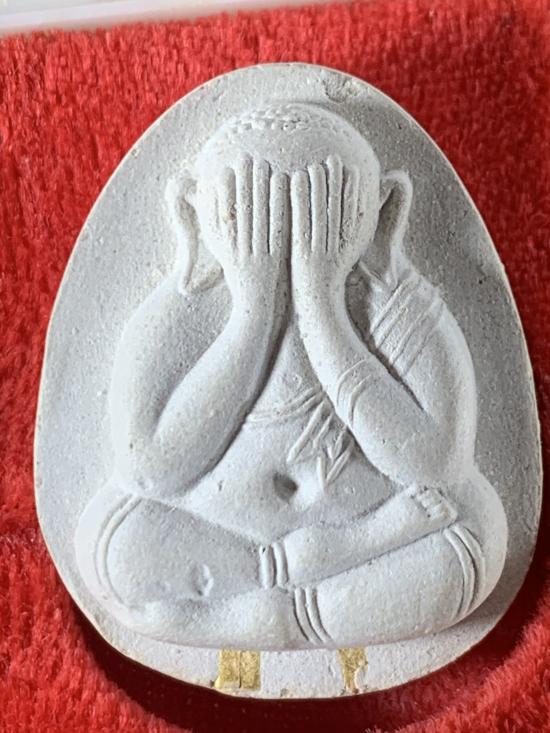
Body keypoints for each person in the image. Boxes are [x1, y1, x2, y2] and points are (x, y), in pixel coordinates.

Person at [75, 104, 507, 650]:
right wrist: (253, 312)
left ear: (383, 209)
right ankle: (284, 602)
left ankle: (259, 620)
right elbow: (148, 468)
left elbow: (439, 463)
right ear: (193, 210)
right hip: (225, 549)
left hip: (370, 545)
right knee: (111, 543)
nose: (283, 233)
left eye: (322, 208)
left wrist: (322, 305)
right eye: (249, 206)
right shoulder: (184, 306)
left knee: (473, 537)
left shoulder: (397, 305)